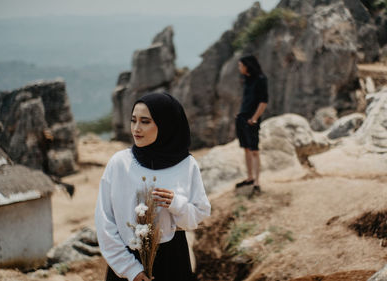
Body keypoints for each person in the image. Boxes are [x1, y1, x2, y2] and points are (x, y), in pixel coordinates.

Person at [95, 92, 211, 281]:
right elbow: (105, 221)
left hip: (172, 261)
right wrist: (130, 269)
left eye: (145, 121)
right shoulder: (119, 164)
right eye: (133, 120)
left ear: (165, 124)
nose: (136, 128)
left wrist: (176, 203)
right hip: (126, 262)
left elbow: (198, 216)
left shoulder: (187, 165)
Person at [234, 55, 268, 197]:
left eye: (241, 65)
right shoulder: (246, 80)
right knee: (246, 149)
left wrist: (254, 118)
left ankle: (257, 182)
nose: (239, 68)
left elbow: (263, 102)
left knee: (254, 150)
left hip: (251, 120)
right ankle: (250, 178)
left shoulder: (261, 79)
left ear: (247, 66)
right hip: (242, 118)